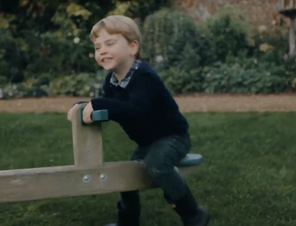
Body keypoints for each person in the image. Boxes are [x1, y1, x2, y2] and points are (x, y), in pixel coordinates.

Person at [67, 15, 210, 226]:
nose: (102, 51)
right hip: (147, 142)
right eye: (98, 47)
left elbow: (134, 110)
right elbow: (111, 105)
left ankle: (193, 214)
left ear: (132, 47)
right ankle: (128, 221)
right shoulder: (112, 80)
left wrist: (97, 104)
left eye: (109, 43)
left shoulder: (144, 76)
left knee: (156, 166)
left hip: (172, 137)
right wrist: (81, 107)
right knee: (126, 174)